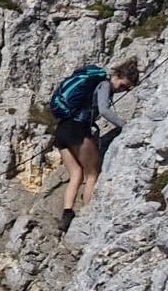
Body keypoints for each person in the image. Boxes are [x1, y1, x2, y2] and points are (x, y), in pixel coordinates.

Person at [56, 58, 140, 233]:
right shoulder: (104, 85)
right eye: (123, 85)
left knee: (76, 173)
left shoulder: (93, 84)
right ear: (117, 76)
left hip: (62, 130)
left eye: (127, 89)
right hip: (78, 130)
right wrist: (126, 125)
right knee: (93, 174)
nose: (122, 90)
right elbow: (104, 110)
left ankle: (67, 213)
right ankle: (88, 214)